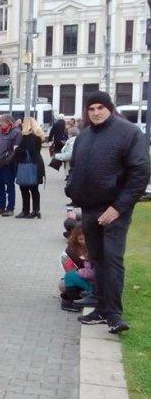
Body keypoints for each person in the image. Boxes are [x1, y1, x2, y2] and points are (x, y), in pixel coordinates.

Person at [65, 91, 150, 334]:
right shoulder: (85, 135)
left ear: (109, 108)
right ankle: (100, 306)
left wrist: (118, 208)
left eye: (100, 108)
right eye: (91, 109)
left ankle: (114, 314)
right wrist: (72, 190)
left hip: (115, 210)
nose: (96, 113)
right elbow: (76, 167)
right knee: (98, 258)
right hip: (89, 208)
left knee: (112, 258)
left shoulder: (129, 133)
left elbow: (140, 174)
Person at [0, 114, 22, 216]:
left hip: (8, 164)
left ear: (9, 122)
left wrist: (8, 160)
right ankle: (0, 206)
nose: (1, 123)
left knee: (10, 186)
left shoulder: (16, 133)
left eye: (3, 121)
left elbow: (15, 150)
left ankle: (10, 208)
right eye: (1, 121)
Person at [15, 116, 46, 219]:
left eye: (24, 122)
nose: (22, 124)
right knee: (34, 189)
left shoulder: (28, 137)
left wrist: (17, 149)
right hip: (37, 164)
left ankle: (26, 210)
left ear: (27, 124)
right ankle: (36, 210)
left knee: (24, 188)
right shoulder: (38, 136)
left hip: (28, 165)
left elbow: (27, 151)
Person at [59, 225, 95, 311]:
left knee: (69, 278)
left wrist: (80, 272)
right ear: (76, 239)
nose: (84, 242)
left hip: (93, 281)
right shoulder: (69, 251)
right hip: (85, 277)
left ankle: (74, 302)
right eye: (81, 239)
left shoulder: (94, 250)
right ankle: (74, 298)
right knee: (64, 283)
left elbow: (94, 272)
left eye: (87, 239)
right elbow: (69, 268)